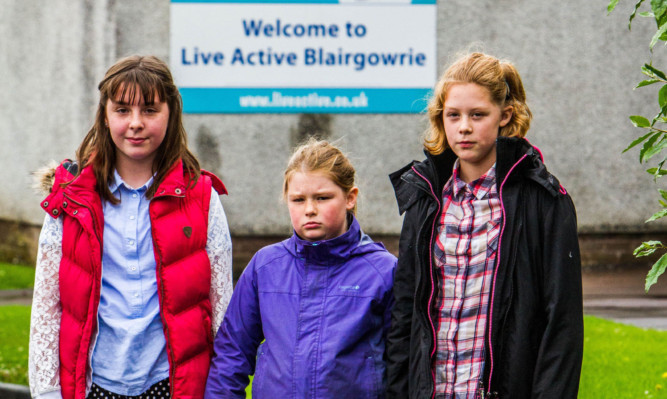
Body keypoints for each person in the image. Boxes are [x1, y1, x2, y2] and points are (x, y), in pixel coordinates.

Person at [28, 55, 233, 399]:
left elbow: (223, 304)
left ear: (171, 114)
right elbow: (47, 306)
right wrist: (47, 391)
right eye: (122, 109)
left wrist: (223, 389)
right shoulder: (71, 198)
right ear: (105, 116)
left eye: (150, 110)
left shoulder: (201, 198)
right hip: (95, 384)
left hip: (173, 384)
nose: (135, 122)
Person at [386, 52, 583, 398]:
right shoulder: (425, 198)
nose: (463, 127)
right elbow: (405, 314)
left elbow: (562, 326)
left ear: (505, 116)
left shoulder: (544, 201)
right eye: (453, 115)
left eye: (478, 115)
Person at [204, 139, 396, 399]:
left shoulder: (383, 271)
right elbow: (231, 354)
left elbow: (403, 366)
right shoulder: (265, 266)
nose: (309, 210)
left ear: (350, 198)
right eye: (298, 200)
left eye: (322, 198)